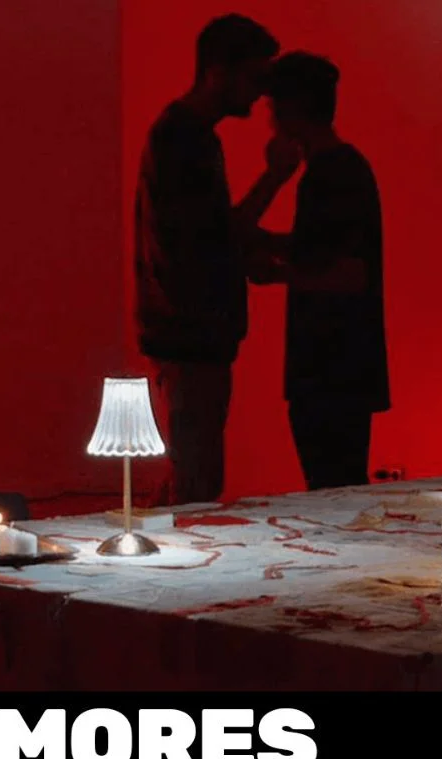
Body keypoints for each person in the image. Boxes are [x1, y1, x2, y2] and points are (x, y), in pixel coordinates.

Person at [135, 14, 301, 506]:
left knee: (194, 477)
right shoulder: (184, 138)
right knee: (197, 488)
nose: (261, 92)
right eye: (254, 76)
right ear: (217, 71)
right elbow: (209, 236)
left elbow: (207, 233)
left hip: (186, 336)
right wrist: (276, 176)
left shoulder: (185, 134)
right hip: (190, 338)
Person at [250, 52, 390, 490]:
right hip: (340, 370)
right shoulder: (341, 170)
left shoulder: (330, 175)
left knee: (332, 486)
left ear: (291, 107)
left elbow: (349, 274)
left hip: (330, 370)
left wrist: (276, 272)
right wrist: (276, 245)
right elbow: (328, 251)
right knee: (338, 486)